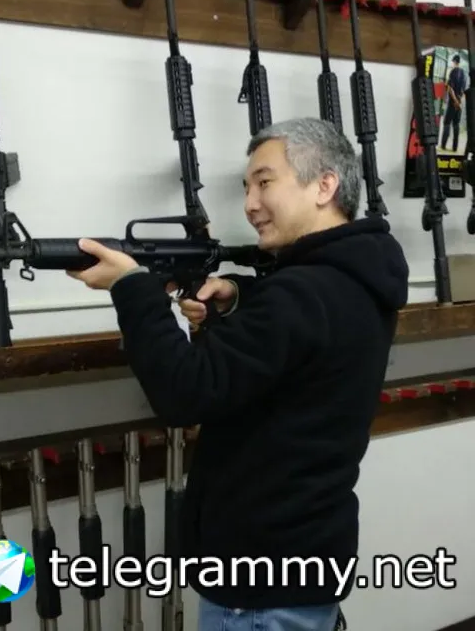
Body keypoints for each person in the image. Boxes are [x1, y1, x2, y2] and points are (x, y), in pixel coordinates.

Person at [66, 117, 409, 631]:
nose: (250, 203)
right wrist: (240, 298)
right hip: (307, 557)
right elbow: (297, 351)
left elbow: (184, 392)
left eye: (264, 182)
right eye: (247, 187)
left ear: (324, 185)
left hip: (259, 583)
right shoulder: (357, 277)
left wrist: (133, 287)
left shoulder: (299, 293)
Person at [440, 54, 466, 153]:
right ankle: (455, 148)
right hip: (459, 103)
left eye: (453, 62)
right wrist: (459, 102)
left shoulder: (453, 71)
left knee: (446, 123)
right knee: (456, 124)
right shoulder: (463, 73)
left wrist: (454, 101)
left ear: (454, 62)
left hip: (452, 103)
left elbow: (450, 89)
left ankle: (443, 145)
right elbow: (463, 91)